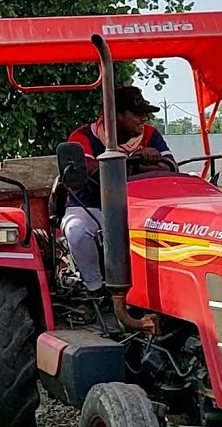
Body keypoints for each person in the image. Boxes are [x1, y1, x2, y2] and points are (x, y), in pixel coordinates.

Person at [61, 86, 175, 294]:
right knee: (76, 231)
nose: (144, 119)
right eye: (137, 114)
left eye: (145, 114)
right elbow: (92, 172)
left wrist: (138, 161)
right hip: (90, 206)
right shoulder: (83, 136)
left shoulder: (150, 134)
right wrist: (137, 161)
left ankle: (154, 291)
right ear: (117, 115)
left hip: (140, 207)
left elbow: (169, 167)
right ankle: (95, 289)